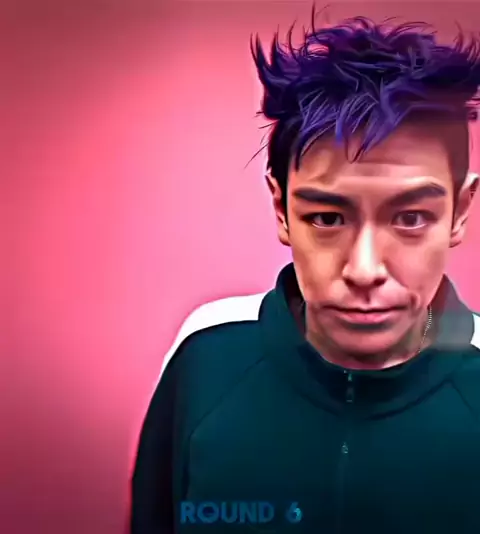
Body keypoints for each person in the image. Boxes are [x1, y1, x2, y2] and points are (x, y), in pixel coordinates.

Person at [130, 13, 480, 534]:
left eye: (410, 218)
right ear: (281, 209)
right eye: (327, 218)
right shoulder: (207, 353)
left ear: (459, 211)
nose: (364, 270)